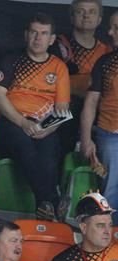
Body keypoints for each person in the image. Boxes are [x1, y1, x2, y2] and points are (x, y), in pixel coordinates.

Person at [0, 12, 70, 221]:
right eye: (34, 32)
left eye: (43, 33)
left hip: (43, 125)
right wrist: (22, 122)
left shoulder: (59, 67)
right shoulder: (11, 60)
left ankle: (44, 211)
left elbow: (62, 109)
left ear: (52, 39)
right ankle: (51, 201)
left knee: (49, 155)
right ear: (26, 35)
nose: (38, 38)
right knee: (25, 146)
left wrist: (47, 128)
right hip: (10, 123)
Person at [51, 0, 110, 154]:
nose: (86, 16)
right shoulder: (57, 45)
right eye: (80, 11)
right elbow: (51, 82)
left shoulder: (106, 51)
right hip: (63, 106)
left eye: (92, 12)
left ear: (99, 19)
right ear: (72, 17)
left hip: (97, 107)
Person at [80, 11, 118, 227]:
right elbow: (91, 102)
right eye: (111, 27)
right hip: (110, 132)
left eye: (116, 28)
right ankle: (110, 238)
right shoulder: (105, 62)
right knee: (112, 189)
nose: (110, 32)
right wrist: (86, 139)